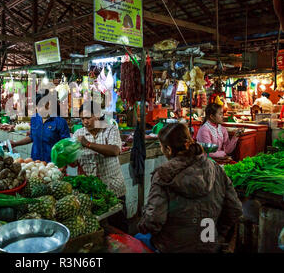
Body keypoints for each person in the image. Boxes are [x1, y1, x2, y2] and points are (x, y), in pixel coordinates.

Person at [137, 123, 243, 253]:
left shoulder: (164, 175)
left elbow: (153, 220)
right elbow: (235, 209)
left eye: (161, 147)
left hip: (172, 247)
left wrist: (143, 226)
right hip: (209, 244)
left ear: (169, 149)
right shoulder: (216, 169)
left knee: (139, 238)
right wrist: (217, 234)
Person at [73, 102, 125, 198]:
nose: (85, 122)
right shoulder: (78, 134)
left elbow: (115, 150)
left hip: (112, 188)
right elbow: (74, 162)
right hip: (90, 189)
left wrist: (88, 144)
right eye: (82, 119)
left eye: (88, 118)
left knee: (117, 212)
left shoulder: (110, 129)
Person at [10, 92, 70, 163]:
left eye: (40, 106)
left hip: (53, 163)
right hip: (36, 161)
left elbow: (66, 145)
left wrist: (64, 163)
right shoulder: (34, 119)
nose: (37, 109)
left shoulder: (60, 122)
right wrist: (16, 143)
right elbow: (32, 137)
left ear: (48, 104)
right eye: (36, 106)